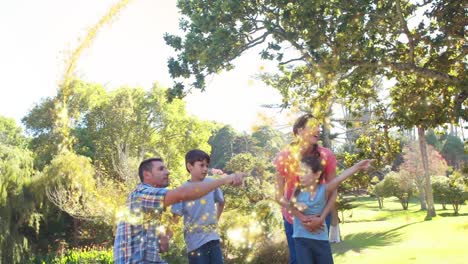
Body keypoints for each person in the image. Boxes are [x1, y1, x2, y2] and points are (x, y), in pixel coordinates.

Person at [113, 157, 244, 264]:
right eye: (161, 169)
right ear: (147, 174)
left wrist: (161, 240)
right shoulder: (141, 193)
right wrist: (225, 179)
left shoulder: (150, 202)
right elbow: (182, 194)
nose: (167, 172)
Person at [275, 113, 337, 264]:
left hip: (320, 217)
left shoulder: (326, 155)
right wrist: (300, 217)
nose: (318, 130)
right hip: (292, 219)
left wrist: (323, 218)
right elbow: (278, 195)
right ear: (299, 131)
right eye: (312, 126)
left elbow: (333, 190)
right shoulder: (284, 157)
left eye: (318, 126)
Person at [287, 155, 373, 264]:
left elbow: (340, 178)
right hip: (301, 240)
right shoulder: (297, 190)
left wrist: (357, 166)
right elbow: (290, 206)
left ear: (317, 174)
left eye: (305, 172)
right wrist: (300, 211)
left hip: (320, 240)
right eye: (299, 172)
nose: (301, 176)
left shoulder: (325, 189)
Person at [171, 149, 225, 264]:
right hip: (195, 244)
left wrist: (216, 219)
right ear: (190, 166)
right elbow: (175, 218)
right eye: (201, 165)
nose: (205, 169)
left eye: (206, 165)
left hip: (213, 239)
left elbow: (221, 202)